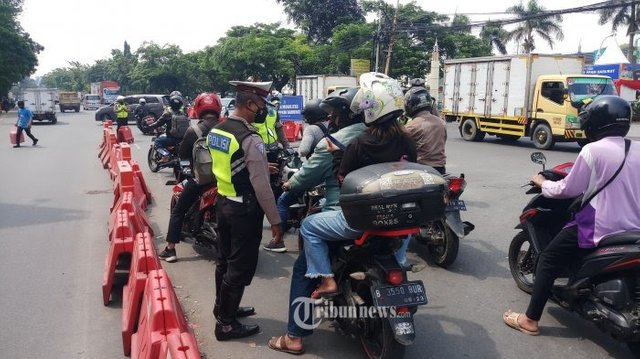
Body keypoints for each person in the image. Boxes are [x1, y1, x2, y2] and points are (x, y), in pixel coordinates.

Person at [268, 73, 417, 354]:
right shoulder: (406, 140)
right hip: (398, 219)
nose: (332, 119)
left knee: (307, 239)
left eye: (336, 114)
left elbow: (340, 180)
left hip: (356, 219)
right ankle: (398, 267)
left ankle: (296, 333)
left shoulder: (348, 142)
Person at [503, 95, 640, 336]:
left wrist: (543, 182)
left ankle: (530, 320)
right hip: (633, 227)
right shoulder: (637, 147)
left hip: (602, 225)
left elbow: (569, 190)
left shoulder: (593, 150)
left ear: (595, 123)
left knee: (547, 259)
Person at [209, 80, 284, 341]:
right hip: (244, 210)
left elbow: (229, 163)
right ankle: (226, 325)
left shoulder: (219, 129)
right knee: (239, 267)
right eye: (262, 103)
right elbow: (262, 187)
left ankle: (223, 308)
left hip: (223, 201)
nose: (263, 108)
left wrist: (262, 166)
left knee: (224, 261)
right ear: (250, 103)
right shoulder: (249, 137)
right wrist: (275, 221)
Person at [263, 88, 365, 253]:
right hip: (376, 209)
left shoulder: (327, 138)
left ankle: (278, 240)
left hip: (340, 203)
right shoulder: (380, 135)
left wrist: (290, 183)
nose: (332, 118)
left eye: (335, 114)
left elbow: (304, 155)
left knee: (290, 208)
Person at [158, 92, 223, 263]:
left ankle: (170, 250)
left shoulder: (193, 130)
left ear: (198, 109)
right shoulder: (227, 128)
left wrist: (187, 167)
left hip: (201, 181)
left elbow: (183, 155)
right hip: (226, 180)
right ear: (218, 108)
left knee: (179, 210)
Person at [404, 86, 447, 174]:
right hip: (440, 169)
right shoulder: (441, 123)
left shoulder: (411, 126)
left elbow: (402, 148)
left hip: (421, 169)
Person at [148, 94, 187, 162]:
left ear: (170, 103)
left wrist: (150, 126)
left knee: (157, 141)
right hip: (182, 139)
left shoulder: (167, 114)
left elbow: (158, 123)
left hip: (172, 139)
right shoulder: (183, 114)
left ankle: (165, 155)